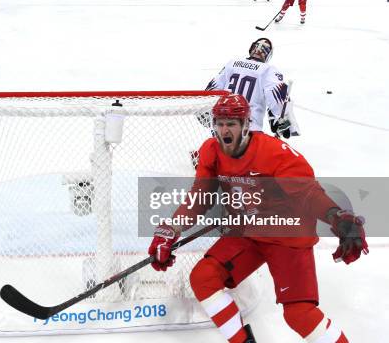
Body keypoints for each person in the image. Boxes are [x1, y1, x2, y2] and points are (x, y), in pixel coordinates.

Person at [148, 94, 368, 343]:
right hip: (247, 234)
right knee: (203, 277)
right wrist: (171, 228)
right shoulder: (210, 151)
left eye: (231, 123)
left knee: (299, 315)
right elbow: (199, 199)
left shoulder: (275, 154)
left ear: (245, 125)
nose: (223, 130)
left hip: (288, 235)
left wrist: (337, 216)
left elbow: (308, 194)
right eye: (219, 123)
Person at [205, 38, 300, 138]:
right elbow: (277, 99)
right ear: (267, 55)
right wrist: (286, 122)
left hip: (222, 127)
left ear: (251, 49)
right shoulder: (268, 70)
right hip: (248, 130)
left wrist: (205, 112)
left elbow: (212, 89)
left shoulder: (232, 63)